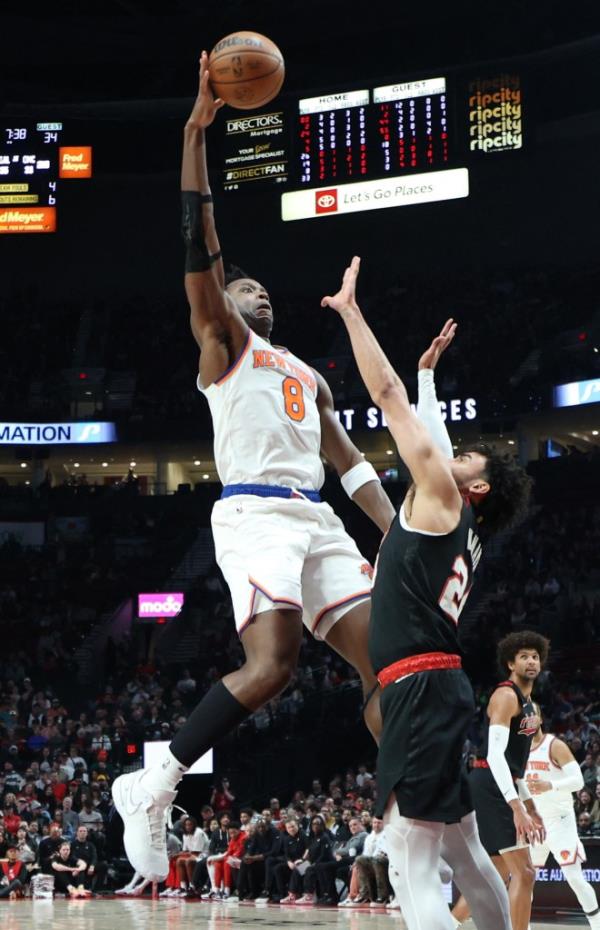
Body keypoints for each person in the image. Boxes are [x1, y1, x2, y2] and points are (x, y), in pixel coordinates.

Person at [112, 55, 395, 882]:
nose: (255, 290)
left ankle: (411, 816)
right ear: (222, 304)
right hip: (253, 516)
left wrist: (408, 540)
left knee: (393, 668)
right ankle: (156, 783)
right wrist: (198, 131)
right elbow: (198, 239)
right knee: (273, 666)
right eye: (242, 285)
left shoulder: (306, 373)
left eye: (264, 288)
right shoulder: (223, 345)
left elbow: (353, 468)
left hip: (318, 517)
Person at [322, 256, 534, 930]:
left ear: (474, 486)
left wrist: (353, 314)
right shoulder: (458, 517)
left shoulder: (442, 495)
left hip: (416, 687)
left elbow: (385, 397)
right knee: (463, 845)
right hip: (440, 685)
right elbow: (432, 438)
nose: (453, 452)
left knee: (409, 849)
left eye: (467, 458)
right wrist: (429, 376)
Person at [452, 630, 549, 930]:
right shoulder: (505, 696)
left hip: (502, 783)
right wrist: (516, 807)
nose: (531, 661)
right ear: (510, 663)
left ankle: (447, 924)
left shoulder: (531, 706)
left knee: (495, 871)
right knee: (525, 873)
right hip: (488, 782)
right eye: (524, 657)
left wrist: (530, 806)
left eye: (535, 656)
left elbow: (515, 765)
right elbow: (495, 757)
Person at [525, 705, 600, 929]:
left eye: (532, 714)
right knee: (524, 880)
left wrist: (550, 785)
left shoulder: (554, 745)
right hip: (534, 823)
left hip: (560, 820)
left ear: (540, 718)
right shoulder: (518, 751)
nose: (527, 719)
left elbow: (578, 781)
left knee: (574, 878)